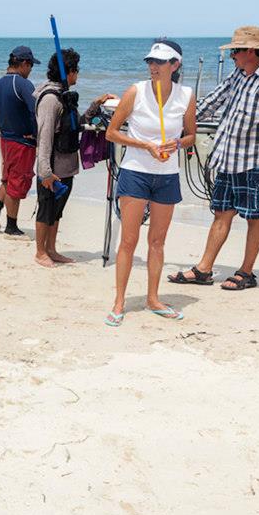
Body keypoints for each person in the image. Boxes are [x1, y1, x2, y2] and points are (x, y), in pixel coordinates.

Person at [167, 26, 259, 291]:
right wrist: (179, 123)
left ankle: (246, 272)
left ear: (250, 51)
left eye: (235, 52)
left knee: (255, 216)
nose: (232, 57)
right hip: (229, 158)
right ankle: (204, 269)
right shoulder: (240, 74)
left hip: (258, 160)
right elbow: (213, 101)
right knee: (221, 213)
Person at [104, 40, 196, 324]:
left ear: (175, 65)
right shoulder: (136, 91)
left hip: (167, 176)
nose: (153, 67)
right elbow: (111, 133)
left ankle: (153, 298)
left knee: (157, 241)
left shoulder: (186, 95)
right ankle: (119, 302)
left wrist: (177, 143)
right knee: (129, 241)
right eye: (150, 62)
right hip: (135, 172)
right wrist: (145, 145)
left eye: (160, 62)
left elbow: (192, 135)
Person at [33, 48, 116, 267]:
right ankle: (40, 252)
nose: (78, 74)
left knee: (57, 210)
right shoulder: (50, 99)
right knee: (46, 208)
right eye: (76, 70)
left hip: (67, 165)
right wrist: (45, 173)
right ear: (68, 72)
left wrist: (96, 104)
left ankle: (51, 249)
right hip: (51, 167)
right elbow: (44, 136)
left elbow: (77, 124)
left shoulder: (65, 96)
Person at [0, 45, 42, 236]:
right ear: (23, 63)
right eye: (30, 65)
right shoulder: (22, 84)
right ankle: (11, 227)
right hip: (21, 142)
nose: (30, 70)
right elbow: (34, 110)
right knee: (18, 181)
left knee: (8, 178)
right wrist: (35, 132)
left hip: (6, 140)